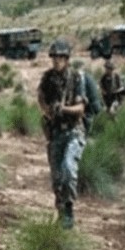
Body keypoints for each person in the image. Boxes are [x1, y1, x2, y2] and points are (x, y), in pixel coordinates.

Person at [38, 39, 86, 229]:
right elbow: (41, 97)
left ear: (67, 59)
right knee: (57, 178)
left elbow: (81, 108)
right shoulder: (48, 78)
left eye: (60, 57)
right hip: (55, 133)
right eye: (54, 57)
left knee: (68, 169)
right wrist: (48, 111)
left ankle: (68, 209)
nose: (57, 61)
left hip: (73, 131)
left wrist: (63, 109)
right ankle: (61, 213)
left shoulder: (76, 78)